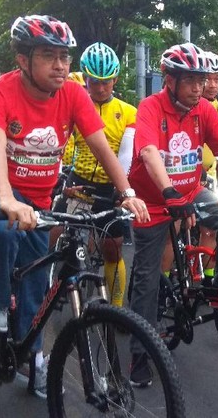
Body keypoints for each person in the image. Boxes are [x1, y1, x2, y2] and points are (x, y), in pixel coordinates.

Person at [0, 15, 148, 397]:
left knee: (36, 285)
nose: (61, 65)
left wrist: (127, 193)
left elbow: (101, 146)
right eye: (49, 56)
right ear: (23, 60)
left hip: (40, 200)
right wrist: (6, 198)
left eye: (65, 57)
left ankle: (35, 360)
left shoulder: (74, 95)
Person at [127, 42, 218, 385]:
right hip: (154, 201)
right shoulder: (150, 107)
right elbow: (149, 152)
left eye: (202, 79)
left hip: (192, 191)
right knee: (148, 281)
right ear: (170, 80)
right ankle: (138, 353)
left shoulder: (204, 109)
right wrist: (168, 194)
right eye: (191, 80)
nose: (199, 87)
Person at [54, 42, 136, 307]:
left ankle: (117, 305)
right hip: (79, 183)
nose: (100, 88)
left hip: (110, 186)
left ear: (115, 79)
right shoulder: (73, 105)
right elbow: (61, 145)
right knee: (65, 239)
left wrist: (119, 191)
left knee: (113, 248)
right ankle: (59, 289)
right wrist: (60, 178)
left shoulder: (128, 112)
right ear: (85, 79)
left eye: (106, 82)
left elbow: (125, 154)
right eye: (93, 82)